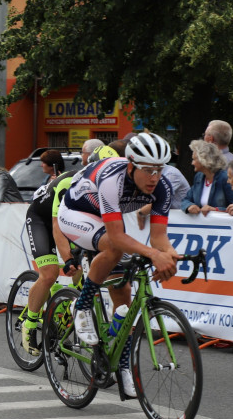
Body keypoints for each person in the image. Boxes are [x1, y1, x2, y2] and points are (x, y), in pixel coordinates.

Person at [57, 133, 181, 398]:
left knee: (124, 296)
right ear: (131, 165)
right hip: (75, 214)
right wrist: (153, 254)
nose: (153, 177)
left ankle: (122, 367)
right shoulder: (113, 179)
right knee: (114, 247)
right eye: (147, 170)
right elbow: (116, 237)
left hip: (104, 219)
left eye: (159, 170)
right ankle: (80, 306)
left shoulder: (162, 187)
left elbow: (159, 238)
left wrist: (170, 254)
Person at [18, 166, 81, 355]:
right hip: (42, 219)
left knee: (85, 268)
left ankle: (61, 314)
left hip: (68, 222)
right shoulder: (69, 183)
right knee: (50, 274)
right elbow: (56, 226)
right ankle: (29, 324)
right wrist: (68, 258)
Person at [181, 140, 233, 215]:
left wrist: (215, 209)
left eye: (194, 159)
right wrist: (189, 206)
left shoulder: (225, 178)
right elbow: (185, 200)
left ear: (204, 160)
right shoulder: (198, 177)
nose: (192, 163)